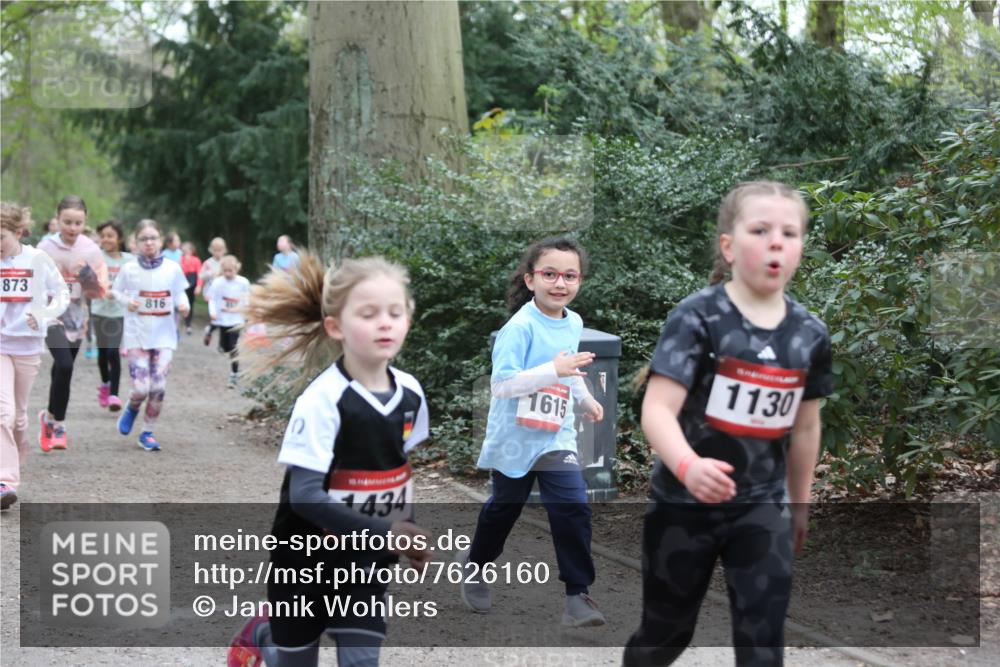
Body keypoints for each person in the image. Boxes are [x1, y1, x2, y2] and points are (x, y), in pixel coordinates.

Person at [622, 181, 833, 667]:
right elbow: (657, 408)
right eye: (760, 230)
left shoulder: (810, 334)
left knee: (763, 645)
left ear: (801, 247)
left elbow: (805, 428)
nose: (776, 242)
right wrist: (688, 465)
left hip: (762, 507)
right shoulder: (697, 317)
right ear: (729, 246)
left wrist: (799, 503)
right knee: (665, 635)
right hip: (683, 505)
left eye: (789, 233)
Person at [227, 252, 433, 667]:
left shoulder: (411, 393)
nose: (385, 323)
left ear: (408, 321)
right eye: (369, 314)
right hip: (303, 563)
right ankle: (265, 637)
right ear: (336, 326)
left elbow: (395, 471)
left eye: (395, 313)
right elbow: (305, 496)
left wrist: (406, 531)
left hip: (366, 565)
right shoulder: (323, 400)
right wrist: (388, 532)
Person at [456, 236, 606, 627]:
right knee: (504, 509)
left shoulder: (573, 321)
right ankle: (475, 562)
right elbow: (502, 385)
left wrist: (585, 398)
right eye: (550, 274)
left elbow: (568, 370)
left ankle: (577, 596)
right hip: (515, 439)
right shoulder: (519, 328)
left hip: (556, 436)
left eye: (570, 276)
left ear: (579, 281)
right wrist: (552, 370)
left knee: (573, 505)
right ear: (530, 279)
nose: (560, 283)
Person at [1, 202, 69, 509]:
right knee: (3, 412)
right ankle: (5, 481)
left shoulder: (38, 259)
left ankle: (17, 451)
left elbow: (62, 293)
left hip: (28, 346)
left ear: (18, 232)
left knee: (18, 417)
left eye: (0, 238)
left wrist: (43, 314)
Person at [37, 195, 109, 452]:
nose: (72, 228)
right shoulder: (45, 247)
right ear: (57, 220)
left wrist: (86, 274)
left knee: (61, 368)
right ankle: (59, 425)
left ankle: (48, 416)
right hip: (51, 315)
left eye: (78, 223)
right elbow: (33, 285)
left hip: (77, 318)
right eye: (67, 222)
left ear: (85, 221)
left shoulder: (91, 250)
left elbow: (98, 292)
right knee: (65, 365)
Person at [112, 219, 190, 451]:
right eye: (143, 239)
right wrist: (128, 301)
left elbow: (180, 293)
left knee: (158, 388)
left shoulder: (172, 268)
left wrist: (184, 305)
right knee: (141, 388)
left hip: (164, 337)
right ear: (136, 242)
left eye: (153, 238)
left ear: (161, 240)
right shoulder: (129, 269)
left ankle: (147, 432)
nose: (149, 243)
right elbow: (116, 291)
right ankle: (133, 406)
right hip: (137, 334)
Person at [92, 220, 133, 412]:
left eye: (110, 236)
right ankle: (105, 384)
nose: (106, 239)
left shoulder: (129, 260)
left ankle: (114, 395)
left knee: (112, 352)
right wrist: (100, 290)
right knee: (102, 353)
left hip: (118, 312)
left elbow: (136, 282)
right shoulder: (96, 257)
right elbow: (87, 280)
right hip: (99, 311)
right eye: (103, 236)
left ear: (120, 238)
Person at [204, 254, 249, 388]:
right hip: (222, 318)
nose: (228, 273)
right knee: (225, 348)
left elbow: (247, 299)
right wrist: (212, 313)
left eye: (231, 271)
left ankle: (234, 374)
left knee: (234, 347)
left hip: (236, 319)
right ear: (222, 270)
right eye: (225, 271)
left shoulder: (243, 282)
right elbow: (212, 299)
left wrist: (246, 312)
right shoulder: (218, 282)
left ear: (236, 269)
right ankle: (211, 331)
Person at [200, 236, 227, 348]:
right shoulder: (208, 263)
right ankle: (212, 331)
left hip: (223, 294)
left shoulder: (226, 262)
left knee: (222, 317)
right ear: (211, 250)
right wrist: (209, 273)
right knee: (216, 316)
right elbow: (201, 276)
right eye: (215, 250)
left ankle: (210, 331)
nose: (217, 253)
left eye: (220, 250)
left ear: (224, 250)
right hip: (211, 293)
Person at [179, 241, 202, 335]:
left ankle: (188, 324)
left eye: (188, 249)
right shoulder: (181, 259)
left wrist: (199, 286)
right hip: (183, 283)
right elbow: (180, 272)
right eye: (184, 250)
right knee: (183, 302)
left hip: (193, 283)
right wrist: (185, 263)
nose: (186, 251)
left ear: (192, 250)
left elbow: (199, 274)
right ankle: (184, 320)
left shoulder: (196, 260)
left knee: (190, 303)